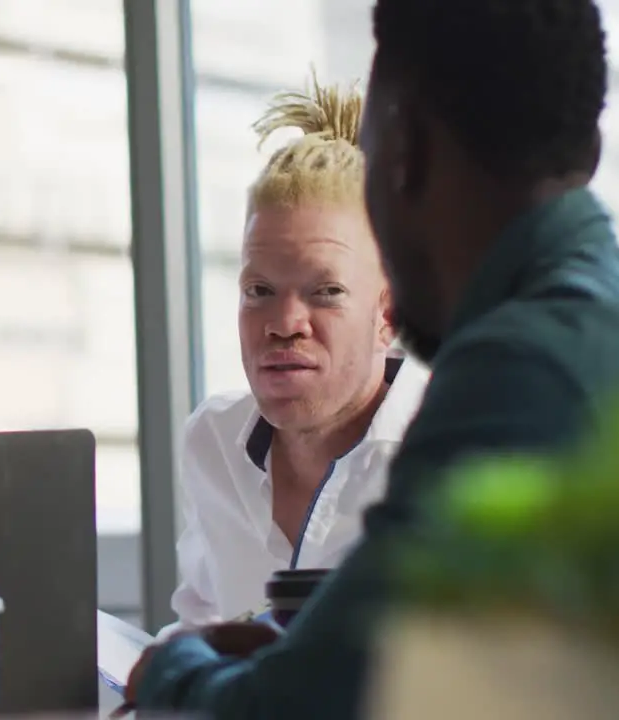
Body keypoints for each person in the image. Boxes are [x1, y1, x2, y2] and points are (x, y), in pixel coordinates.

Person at [128, 0, 619, 717]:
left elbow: (300, 709)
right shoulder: (615, 312)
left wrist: (173, 669)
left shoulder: (518, 370)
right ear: (586, 150)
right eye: (258, 290)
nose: (286, 323)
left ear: (405, 154)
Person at [168, 76, 426, 630]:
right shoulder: (213, 444)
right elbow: (202, 629)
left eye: (325, 292)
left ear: (389, 314)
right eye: (258, 291)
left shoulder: (451, 450)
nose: (284, 325)